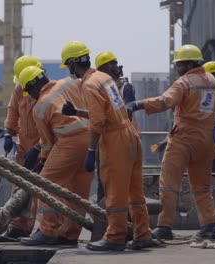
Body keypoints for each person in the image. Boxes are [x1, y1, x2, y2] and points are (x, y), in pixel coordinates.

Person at [61, 40, 158, 251]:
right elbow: (109, 113)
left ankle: (115, 237)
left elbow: (98, 122)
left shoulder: (88, 85)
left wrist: (90, 151)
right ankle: (142, 234)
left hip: (115, 141)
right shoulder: (104, 78)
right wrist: (77, 112)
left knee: (114, 191)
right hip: (130, 135)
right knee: (135, 192)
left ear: (72, 64)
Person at [127, 44, 215, 240]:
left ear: (188, 63)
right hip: (205, 140)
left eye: (179, 64)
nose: (177, 68)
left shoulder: (184, 82)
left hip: (183, 139)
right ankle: (210, 225)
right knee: (202, 186)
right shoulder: (211, 81)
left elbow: (164, 102)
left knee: (169, 184)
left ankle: (164, 226)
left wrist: (138, 104)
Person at [18, 66, 94, 246]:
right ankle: (69, 235)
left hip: (70, 143)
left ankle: (48, 231)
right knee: (77, 190)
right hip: (92, 141)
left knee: (46, 184)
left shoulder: (41, 105)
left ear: (32, 88)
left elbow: (47, 142)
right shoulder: (69, 83)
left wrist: (42, 160)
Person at [0, 55, 42, 242]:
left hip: (43, 149)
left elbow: (51, 126)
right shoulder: (20, 88)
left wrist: (38, 149)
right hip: (23, 149)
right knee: (19, 190)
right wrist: (8, 133)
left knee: (44, 193)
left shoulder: (45, 92)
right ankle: (19, 227)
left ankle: (45, 229)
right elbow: (12, 111)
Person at [94, 51, 140, 202]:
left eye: (115, 63)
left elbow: (127, 110)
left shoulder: (124, 87)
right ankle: (104, 218)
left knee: (120, 183)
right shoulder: (105, 88)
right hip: (106, 142)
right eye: (112, 64)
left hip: (122, 140)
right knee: (103, 182)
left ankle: (121, 220)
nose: (116, 66)